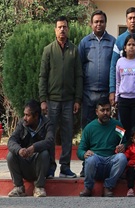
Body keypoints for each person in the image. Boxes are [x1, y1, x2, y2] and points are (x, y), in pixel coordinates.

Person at [39, 17, 82, 179]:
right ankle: (50, 167)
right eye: (59, 27)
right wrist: (43, 99)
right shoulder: (48, 50)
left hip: (69, 101)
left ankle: (65, 167)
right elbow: (43, 76)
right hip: (52, 100)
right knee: (50, 135)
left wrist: (77, 99)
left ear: (68, 29)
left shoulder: (74, 50)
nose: (62, 29)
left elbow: (79, 76)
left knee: (67, 135)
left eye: (64, 27)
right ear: (55, 30)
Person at [76, 96, 127, 197]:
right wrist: (84, 154)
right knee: (90, 159)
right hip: (96, 161)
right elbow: (80, 150)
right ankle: (88, 188)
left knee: (122, 158)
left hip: (111, 162)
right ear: (96, 112)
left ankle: (108, 186)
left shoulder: (117, 125)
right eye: (102, 110)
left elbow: (124, 142)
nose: (105, 113)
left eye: (107, 110)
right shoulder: (89, 128)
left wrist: (123, 147)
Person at [7, 99, 55, 198]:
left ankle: (39, 187)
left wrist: (34, 147)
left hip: (41, 166)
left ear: (36, 116)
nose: (24, 118)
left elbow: (50, 140)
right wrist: (19, 150)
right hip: (25, 163)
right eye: (24, 114)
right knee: (11, 155)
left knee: (44, 153)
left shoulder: (47, 123)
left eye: (27, 115)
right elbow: (11, 141)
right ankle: (19, 187)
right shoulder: (22, 123)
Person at [79, 12, 116, 128]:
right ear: (91, 24)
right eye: (96, 22)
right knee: (88, 126)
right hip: (88, 93)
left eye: (101, 21)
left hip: (106, 92)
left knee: (107, 125)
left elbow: (116, 67)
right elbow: (79, 67)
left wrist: (113, 91)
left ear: (106, 23)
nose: (99, 24)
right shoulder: (85, 42)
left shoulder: (112, 41)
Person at [109, 8, 135, 108]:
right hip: (124, 96)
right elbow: (113, 67)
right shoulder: (119, 40)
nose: (132, 21)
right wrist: (112, 90)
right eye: (130, 18)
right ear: (126, 21)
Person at [115, 34, 135, 142]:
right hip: (123, 100)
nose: (131, 47)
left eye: (133, 45)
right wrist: (116, 98)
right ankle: (122, 146)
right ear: (124, 47)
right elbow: (118, 81)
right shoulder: (120, 62)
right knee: (122, 127)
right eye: (129, 44)